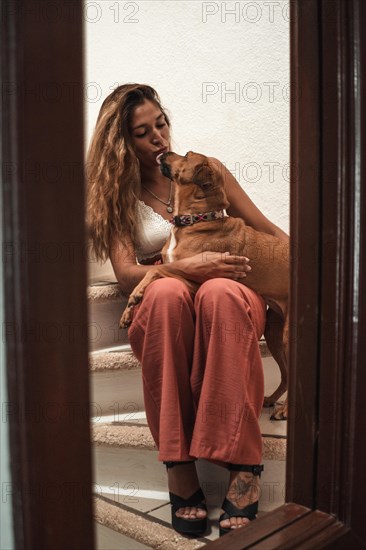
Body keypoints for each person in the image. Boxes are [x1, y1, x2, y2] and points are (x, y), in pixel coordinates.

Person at [86, 83, 289, 537]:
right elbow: (125, 274)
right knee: (165, 296)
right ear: (122, 142)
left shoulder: (205, 170)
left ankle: (242, 463)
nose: (159, 137)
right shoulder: (116, 193)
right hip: (165, 290)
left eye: (162, 123)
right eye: (143, 132)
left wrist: (312, 275)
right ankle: (179, 463)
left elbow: (263, 228)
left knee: (220, 293)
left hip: (227, 283)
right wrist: (188, 266)